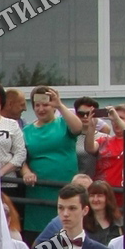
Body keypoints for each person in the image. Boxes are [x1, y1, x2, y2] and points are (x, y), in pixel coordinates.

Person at [24, 84, 85, 222]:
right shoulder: (26, 131)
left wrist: (60, 105)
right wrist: (26, 172)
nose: (41, 109)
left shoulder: (63, 123)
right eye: (37, 105)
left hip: (66, 187)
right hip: (38, 191)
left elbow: (78, 128)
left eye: (45, 105)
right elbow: (21, 159)